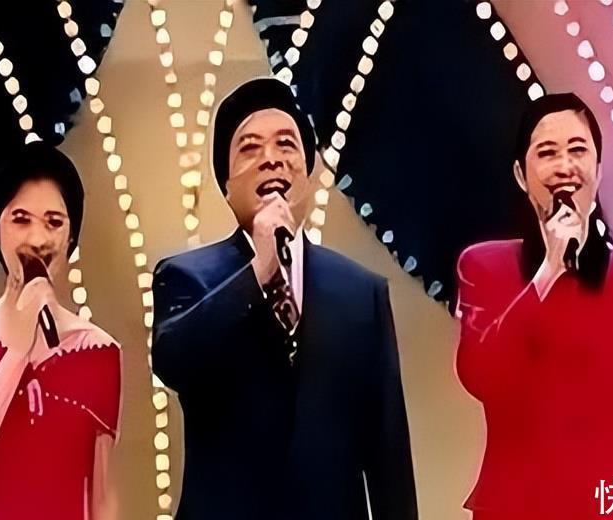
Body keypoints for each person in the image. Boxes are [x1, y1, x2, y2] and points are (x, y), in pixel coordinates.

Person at [152, 77, 418, 520]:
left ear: (308, 174)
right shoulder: (186, 277)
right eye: (250, 148)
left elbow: (387, 449)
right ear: (226, 184)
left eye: (286, 144)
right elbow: (173, 361)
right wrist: (260, 270)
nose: (271, 159)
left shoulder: (361, 291)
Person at [454, 93, 613, 519]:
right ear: (521, 174)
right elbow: (481, 375)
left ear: (598, 169)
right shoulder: (484, 267)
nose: (564, 166)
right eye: (547, 153)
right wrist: (549, 271)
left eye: (578, 150)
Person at [0, 142, 120, 520]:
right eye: (20, 219)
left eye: (54, 222)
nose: (37, 239)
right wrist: (18, 346)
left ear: (71, 237)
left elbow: (100, 495)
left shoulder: (98, 351)